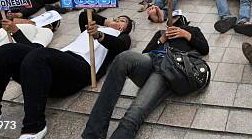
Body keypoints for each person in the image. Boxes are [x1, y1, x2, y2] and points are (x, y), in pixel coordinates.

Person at [0, 11, 133, 139]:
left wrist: (100, 35)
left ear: (126, 28)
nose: (118, 21)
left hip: (81, 69)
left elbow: (120, 46)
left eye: (123, 21)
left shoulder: (122, 37)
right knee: (4, 52)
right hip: (56, 60)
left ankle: (33, 126)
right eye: (117, 18)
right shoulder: (92, 26)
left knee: (39, 55)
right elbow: (84, 14)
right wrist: (105, 22)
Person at [82, 10, 209, 139]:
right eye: (170, 16)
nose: (172, 18)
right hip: (152, 61)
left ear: (183, 18)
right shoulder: (160, 33)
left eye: (176, 16)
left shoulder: (193, 30)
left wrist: (186, 34)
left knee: (134, 113)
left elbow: (205, 48)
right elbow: (145, 53)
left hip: (169, 70)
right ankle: (93, 133)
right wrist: (161, 39)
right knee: (124, 57)